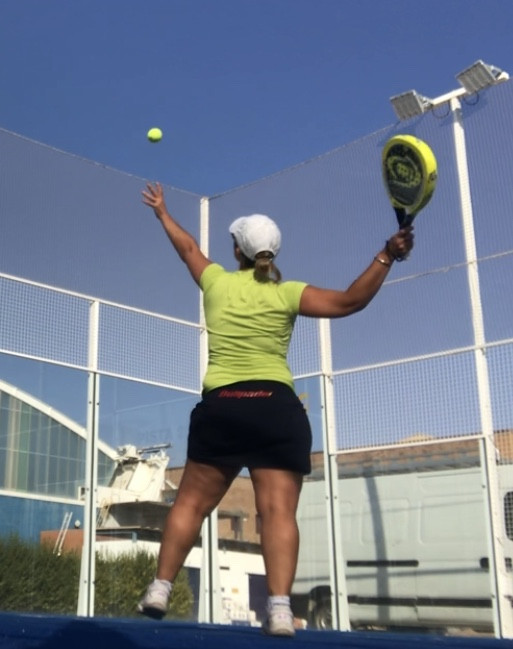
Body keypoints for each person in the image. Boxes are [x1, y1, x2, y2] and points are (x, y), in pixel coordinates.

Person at [137, 182, 414, 636]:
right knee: (278, 513)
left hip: (223, 407)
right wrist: (387, 254)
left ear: (238, 251)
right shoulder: (288, 293)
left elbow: (187, 247)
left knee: (190, 503)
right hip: (276, 410)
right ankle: (281, 610)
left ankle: (160, 588)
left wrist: (163, 212)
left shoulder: (216, 281)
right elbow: (351, 301)